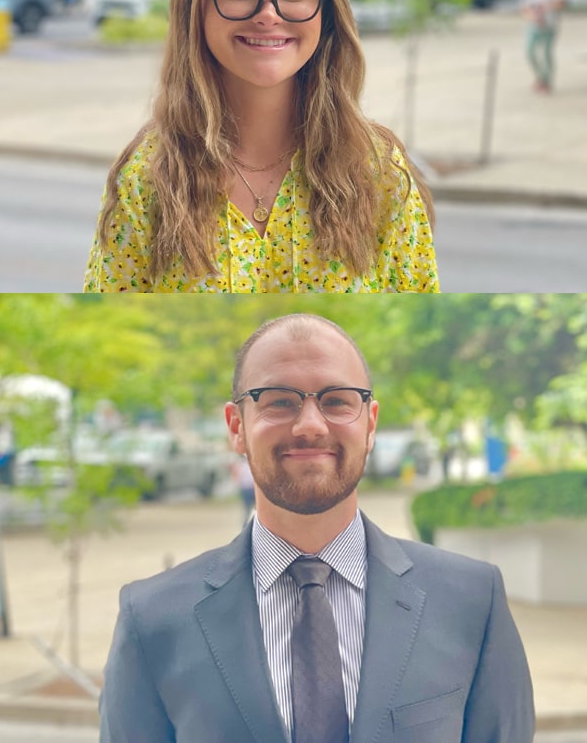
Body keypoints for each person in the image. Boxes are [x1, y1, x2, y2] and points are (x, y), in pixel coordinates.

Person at [100, 313, 533, 742]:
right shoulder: (152, 618)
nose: (310, 425)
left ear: (371, 423)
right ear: (236, 427)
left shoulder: (472, 601)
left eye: (337, 400)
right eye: (279, 400)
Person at [85, 0, 438, 293]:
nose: (268, 14)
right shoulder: (147, 178)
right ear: (194, 4)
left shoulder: (379, 173)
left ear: (327, 7)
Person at [522, 0, 564, 93]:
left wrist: (545, 7)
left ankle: (547, 81)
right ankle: (540, 77)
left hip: (549, 25)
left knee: (546, 54)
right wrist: (532, 16)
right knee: (529, 52)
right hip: (534, 25)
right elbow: (524, 8)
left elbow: (561, 2)